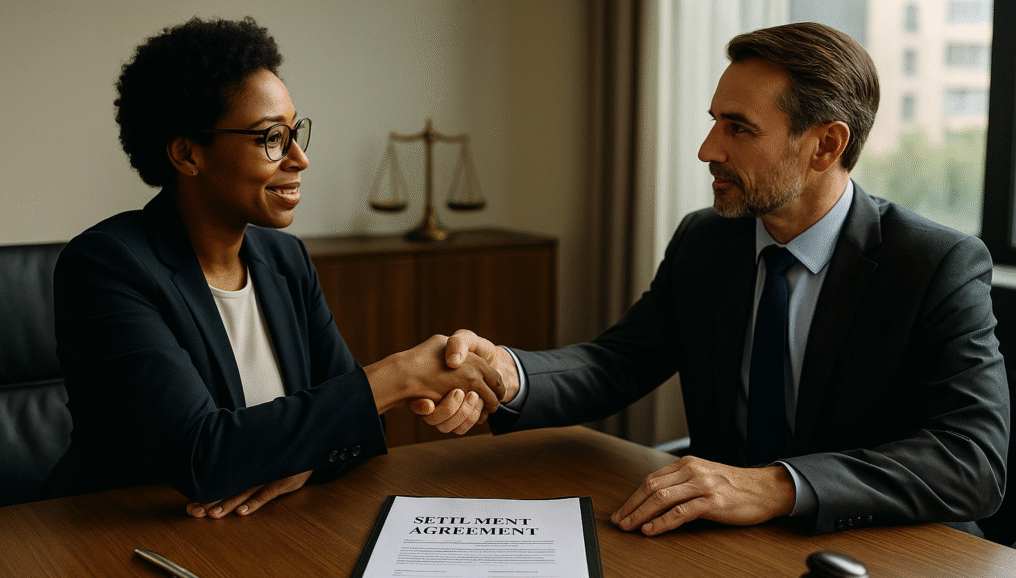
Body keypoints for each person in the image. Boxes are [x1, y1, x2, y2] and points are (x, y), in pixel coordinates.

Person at [415, 22, 1009, 536]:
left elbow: (972, 462)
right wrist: (507, 372)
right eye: (712, 123)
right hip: (725, 547)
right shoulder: (707, 240)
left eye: (738, 129)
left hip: (894, 559)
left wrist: (776, 487)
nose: (706, 149)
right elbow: (618, 362)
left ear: (826, 144)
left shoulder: (934, 264)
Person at [42, 17, 502, 518]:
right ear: (187, 153)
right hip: (121, 543)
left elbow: (362, 431)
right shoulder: (107, 267)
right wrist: (398, 374)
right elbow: (204, 457)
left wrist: (296, 456)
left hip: (261, 536)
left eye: (294, 132)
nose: (299, 158)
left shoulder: (285, 260)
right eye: (271, 137)